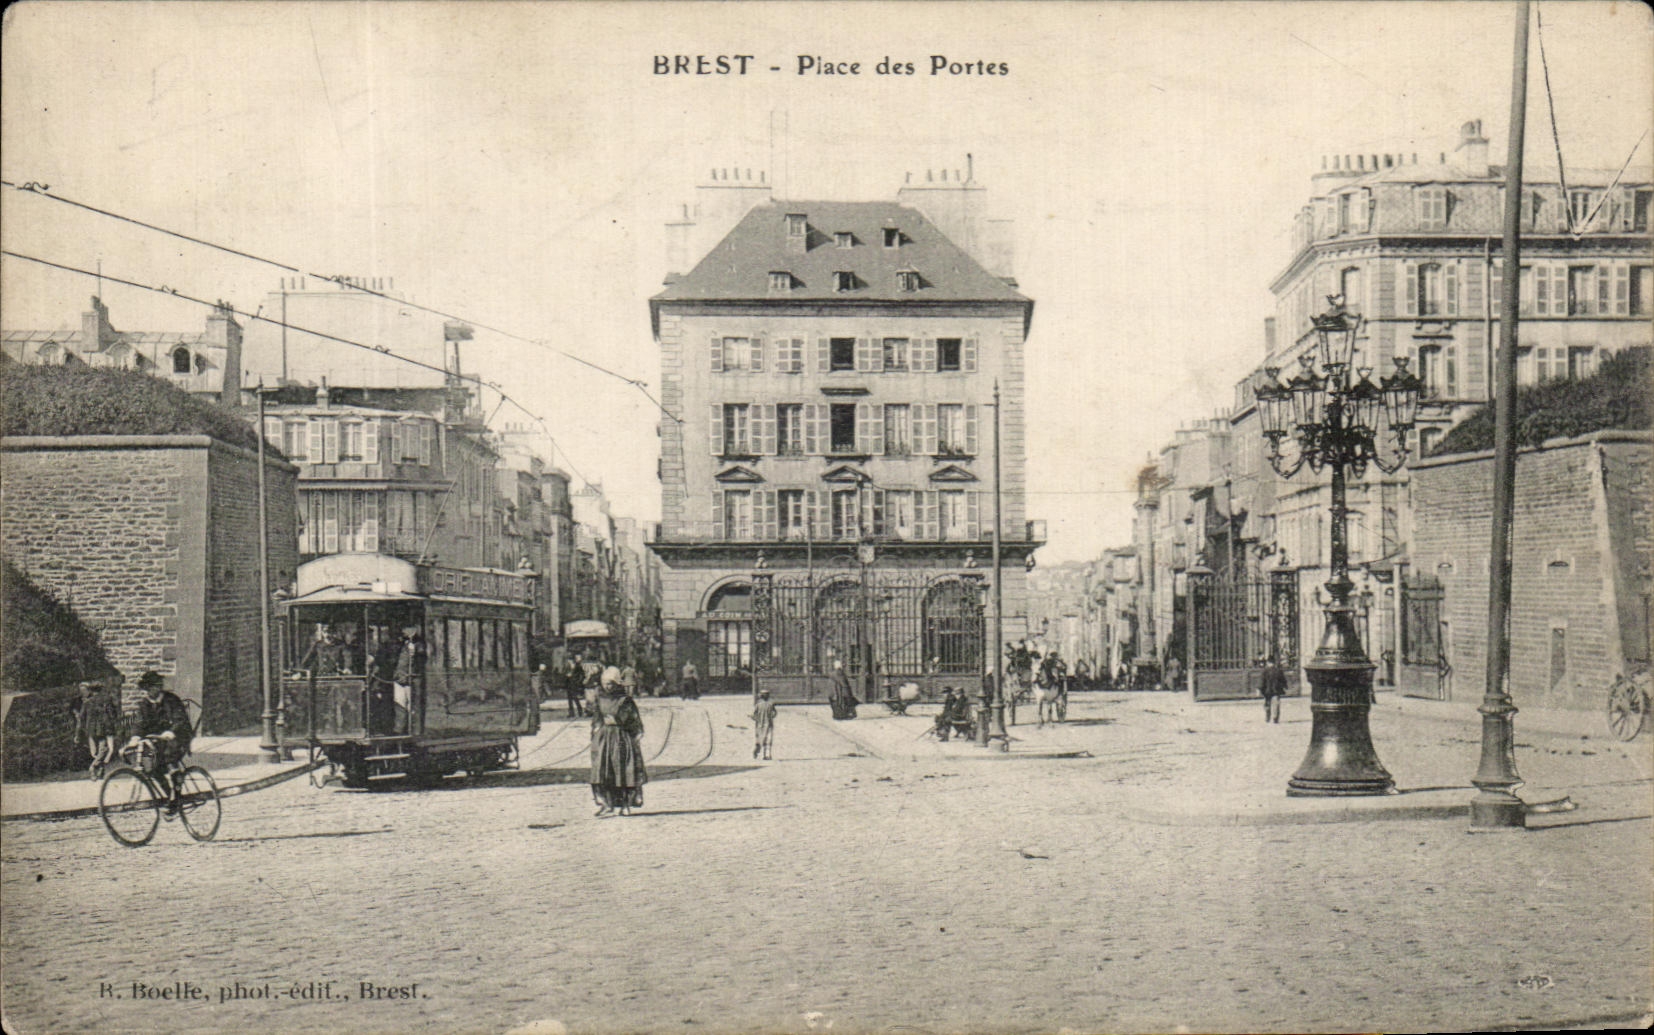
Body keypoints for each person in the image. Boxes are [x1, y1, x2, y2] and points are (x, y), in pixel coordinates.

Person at [125, 671, 192, 809]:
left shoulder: (171, 700)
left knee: (169, 758)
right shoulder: (144, 704)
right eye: (147, 688)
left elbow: (180, 719)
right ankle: (170, 796)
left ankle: (177, 792)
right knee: (153, 768)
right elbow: (139, 722)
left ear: (158, 687)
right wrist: (135, 737)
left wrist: (171, 731)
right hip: (159, 740)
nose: (149, 691)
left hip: (178, 736)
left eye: (152, 687)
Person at [589, 666, 647, 816]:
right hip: (605, 737)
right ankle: (607, 803)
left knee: (622, 771)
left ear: (616, 684)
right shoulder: (600, 698)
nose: (607, 687)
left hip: (621, 736)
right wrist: (596, 729)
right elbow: (597, 717)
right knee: (603, 770)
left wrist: (622, 723)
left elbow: (633, 719)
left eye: (610, 684)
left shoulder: (625, 700)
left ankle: (625, 804)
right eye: (605, 683)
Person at [1260, 655, 1288, 724]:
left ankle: (1268, 716)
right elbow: (1283, 680)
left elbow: (1262, 681)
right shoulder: (1278, 670)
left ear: (1268, 662)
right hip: (1276, 690)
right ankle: (1275, 718)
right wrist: (1285, 687)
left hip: (1267, 691)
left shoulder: (1265, 671)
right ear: (1274, 662)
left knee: (1267, 704)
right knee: (1276, 704)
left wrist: (1260, 689)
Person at [752, 689, 777, 760]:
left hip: (760, 725)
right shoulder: (770, 704)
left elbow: (754, 715)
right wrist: (771, 717)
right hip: (768, 724)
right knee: (768, 740)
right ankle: (766, 755)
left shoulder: (758, 704)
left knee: (761, 739)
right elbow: (774, 713)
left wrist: (756, 719)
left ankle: (759, 751)